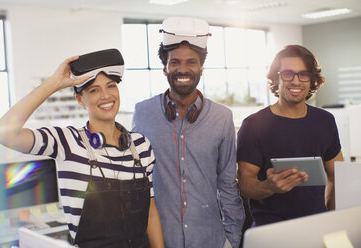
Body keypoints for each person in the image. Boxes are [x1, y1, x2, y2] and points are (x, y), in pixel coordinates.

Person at [0, 49, 164, 248]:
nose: (106, 95)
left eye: (111, 86)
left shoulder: (141, 146)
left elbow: (150, 212)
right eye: (94, 90)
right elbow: (3, 133)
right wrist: (54, 83)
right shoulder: (67, 142)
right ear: (80, 99)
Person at [132, 17, 245, 248]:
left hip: (210, 240)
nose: (183, 69)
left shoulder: (222, 117)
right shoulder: (143, 113)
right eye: (175, 62)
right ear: (165, 67)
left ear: (201, 67)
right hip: (160, 240)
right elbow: (137, 182)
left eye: (191, 62)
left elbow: (227, 184)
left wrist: (232, 240)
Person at [237, 44, 344, 227]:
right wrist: (268, 187)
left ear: (312, 80)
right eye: (287, 74)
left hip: (316, 227)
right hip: (270, 230)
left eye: (303, 74)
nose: (296, 81)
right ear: (275, 78)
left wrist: (331, 219)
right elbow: (245, 184)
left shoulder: (325, 121)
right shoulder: (253, 125)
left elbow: (338, 175)